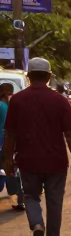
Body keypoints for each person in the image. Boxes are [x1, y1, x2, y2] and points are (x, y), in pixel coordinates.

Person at [0, 57, 71, 236]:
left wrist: (8, 159)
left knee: (31, 196)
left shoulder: (17, 100)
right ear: (49, 76)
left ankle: (37, 225)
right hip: (56, 160)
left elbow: (10, 133)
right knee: (55, 201)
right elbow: (69, 134)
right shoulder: (60, 100)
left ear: (28, 77)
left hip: (28, 159)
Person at [0, 81, 23, 210]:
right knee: (13, 171)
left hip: (2, 142)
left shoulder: (1, 106)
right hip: (13, 142)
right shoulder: (13, 106)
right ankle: (20, 201)